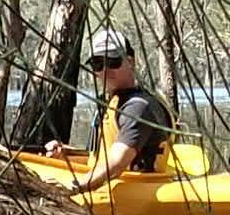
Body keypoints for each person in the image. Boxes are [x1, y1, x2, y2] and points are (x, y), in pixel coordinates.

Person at [63, 28, 178, 192]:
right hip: (111, 185)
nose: (105, 70)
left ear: (130, 62)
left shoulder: (137, 108)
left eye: (113, 62)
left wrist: (75, 186)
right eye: (97, 64)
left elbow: (116, 163)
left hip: (137, 194)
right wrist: (69, 155)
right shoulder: (110, 102)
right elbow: (104, 156)